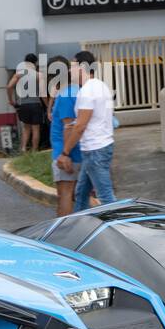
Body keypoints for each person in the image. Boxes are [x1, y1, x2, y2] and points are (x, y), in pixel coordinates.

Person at [59, 50, 116, 212]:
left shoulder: (87, 91)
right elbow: (98, 116)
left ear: (82, 67)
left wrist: (65, 152)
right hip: (100, 147)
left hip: (94, 150)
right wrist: (77, 122)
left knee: (106, 198)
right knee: (81, 193)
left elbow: (81, 127)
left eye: (72, 67)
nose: (70, 71)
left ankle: (122, 229)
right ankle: (81, 225)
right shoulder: (101, 86)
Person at [46, 56, 81, 216]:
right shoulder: (75, 90)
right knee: (77, 196)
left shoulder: (66, 95)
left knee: (65, 195)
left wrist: (64, 154)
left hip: (67, 154)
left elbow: (69, 126)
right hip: (73, 152)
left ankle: (63, 234)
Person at [7, 53, 44, 154]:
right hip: (35, 104)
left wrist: (11, 100)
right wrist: (47, 104)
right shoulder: (38, 75)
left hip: (23, 104)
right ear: (35, 63)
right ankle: (35, 151)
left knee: (26, 128)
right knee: (36, 128)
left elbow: (9, 86)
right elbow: (42, 92)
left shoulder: (18, 75)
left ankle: (23, 149)